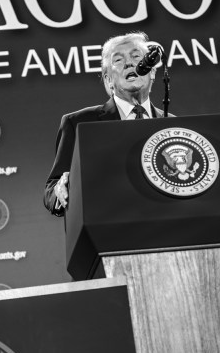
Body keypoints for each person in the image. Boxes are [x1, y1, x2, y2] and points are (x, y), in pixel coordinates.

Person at [43, 31, 168, 216]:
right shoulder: (78, 123)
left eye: (136, 57)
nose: (129, 63)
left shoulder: (173, 124)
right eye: (118, 60)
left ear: (152, 73)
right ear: (108, 80)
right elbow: (52, 189)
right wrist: (60, 192)